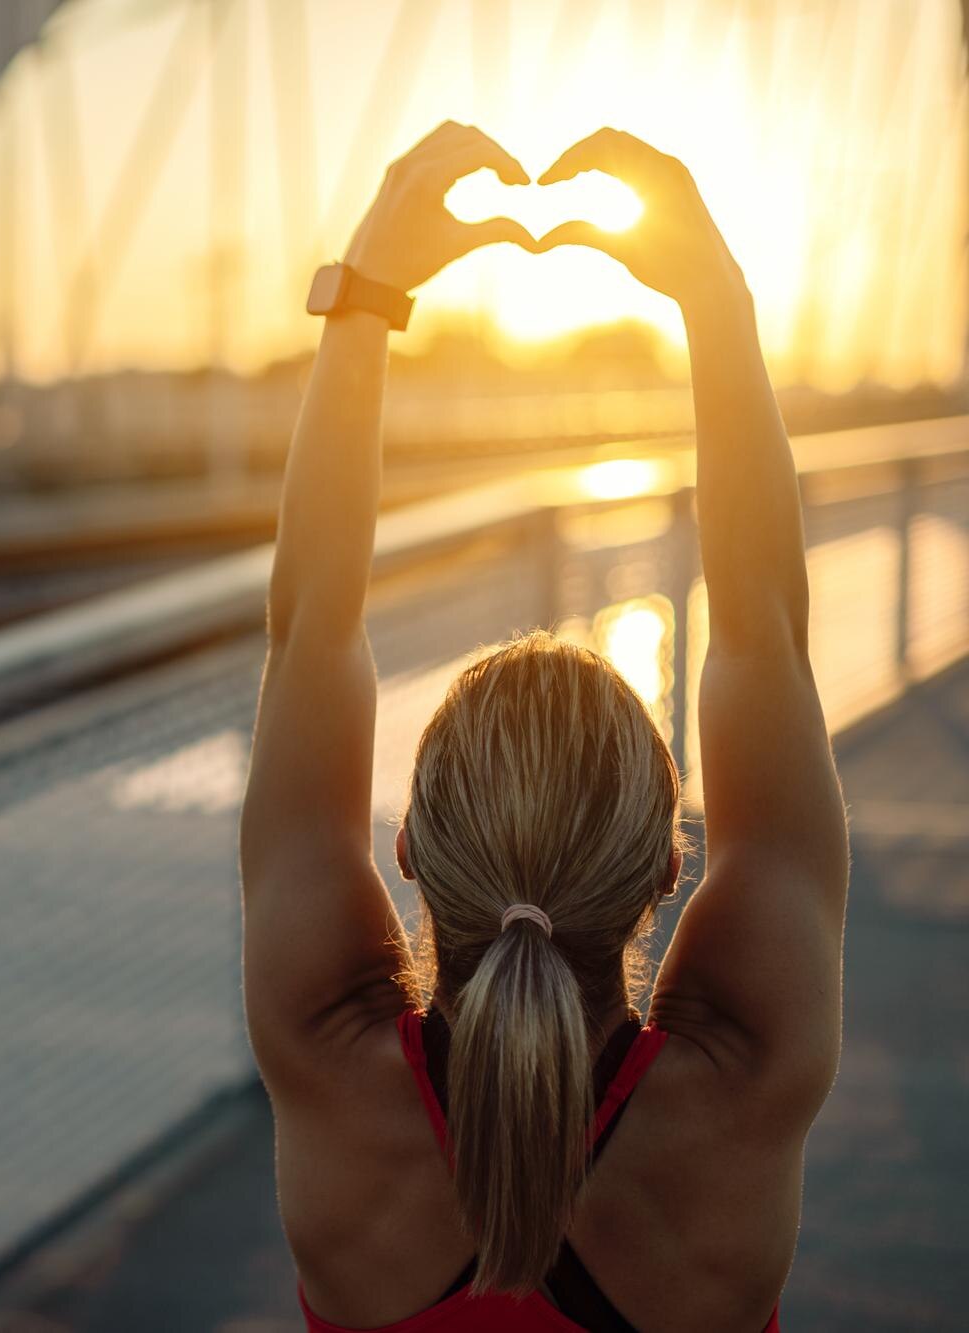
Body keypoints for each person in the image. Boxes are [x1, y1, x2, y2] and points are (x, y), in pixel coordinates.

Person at [242, 123, 846, 1331]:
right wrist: (714, 299)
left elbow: (310, 628)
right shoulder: (738, 1086)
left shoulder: (327, 1060)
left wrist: (363, 297)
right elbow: (762, 637)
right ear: (667, 862)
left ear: (409, 846)